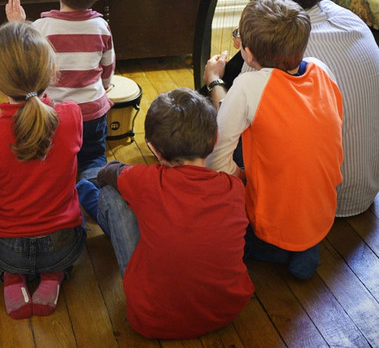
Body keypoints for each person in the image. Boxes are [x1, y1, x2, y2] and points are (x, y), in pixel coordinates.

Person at [203, 0, 379, 217]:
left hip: (312, 203)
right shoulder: (352, 21)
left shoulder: (274, 51)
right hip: (367, 186)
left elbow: (230, 119)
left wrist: (214, 81)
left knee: (213, 144)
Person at [75, 88, 254, 339]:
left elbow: (108, 172)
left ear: (154, 150)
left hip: (152, 318)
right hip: (226, 311)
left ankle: (86, 196)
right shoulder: (233, 187)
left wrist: (108, 174)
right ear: (215, 139)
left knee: (112, 197)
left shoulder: (146, 179)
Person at [206, 0, 343, 280]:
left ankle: (267, 247)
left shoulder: (247, 85)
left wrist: (241, 174)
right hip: (321, 212)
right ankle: (303, 249)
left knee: (215, 194)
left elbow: (216, 160)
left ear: (247, 52)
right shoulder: (322, 70)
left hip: (269, 218)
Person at [0, 22, 86, 319]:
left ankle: (13, 278)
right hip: (62, 245)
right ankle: (53, 276)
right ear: (51, 73)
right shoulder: (71, 116)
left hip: (6, 250)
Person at [5, 0, 114, 181]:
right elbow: (108, 65)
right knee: (93, 156)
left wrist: (19, 24)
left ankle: (61, 179)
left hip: (53, 113)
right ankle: (90, 184)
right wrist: (105, 86)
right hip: (92, 111)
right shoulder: (101, 27)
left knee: (55, 153)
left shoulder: (41, 27)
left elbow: (26, 59)